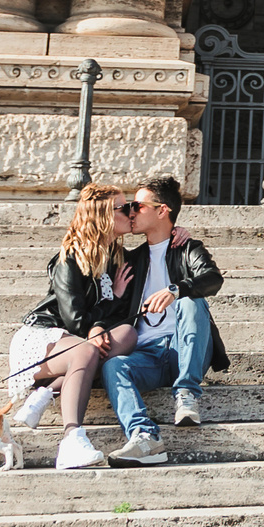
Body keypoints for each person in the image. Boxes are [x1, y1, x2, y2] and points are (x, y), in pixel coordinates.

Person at [6, 183, 141, 471]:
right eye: (124, 207)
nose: (131, 212)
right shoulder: (70, 258)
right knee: (86, 352)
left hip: (80, 342)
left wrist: (178, 234)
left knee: (128, 335)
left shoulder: (118, 260)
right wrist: (105, 310)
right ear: (104, 215)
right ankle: (71, 440)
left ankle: (46, 393)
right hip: (45, 337)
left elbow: (115, 316)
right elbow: (74, 319)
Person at [98, 175, 229, 467]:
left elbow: (212, 279)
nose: (131, 212)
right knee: (115, 365)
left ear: (162, 210)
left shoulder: (188, 248)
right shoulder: (130, 260)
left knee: (191, 300)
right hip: (149, 354)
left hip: (187, 349)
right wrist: (117, 296)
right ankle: (145, 437)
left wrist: (176, 290)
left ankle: (186, 393)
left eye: (138, 206)